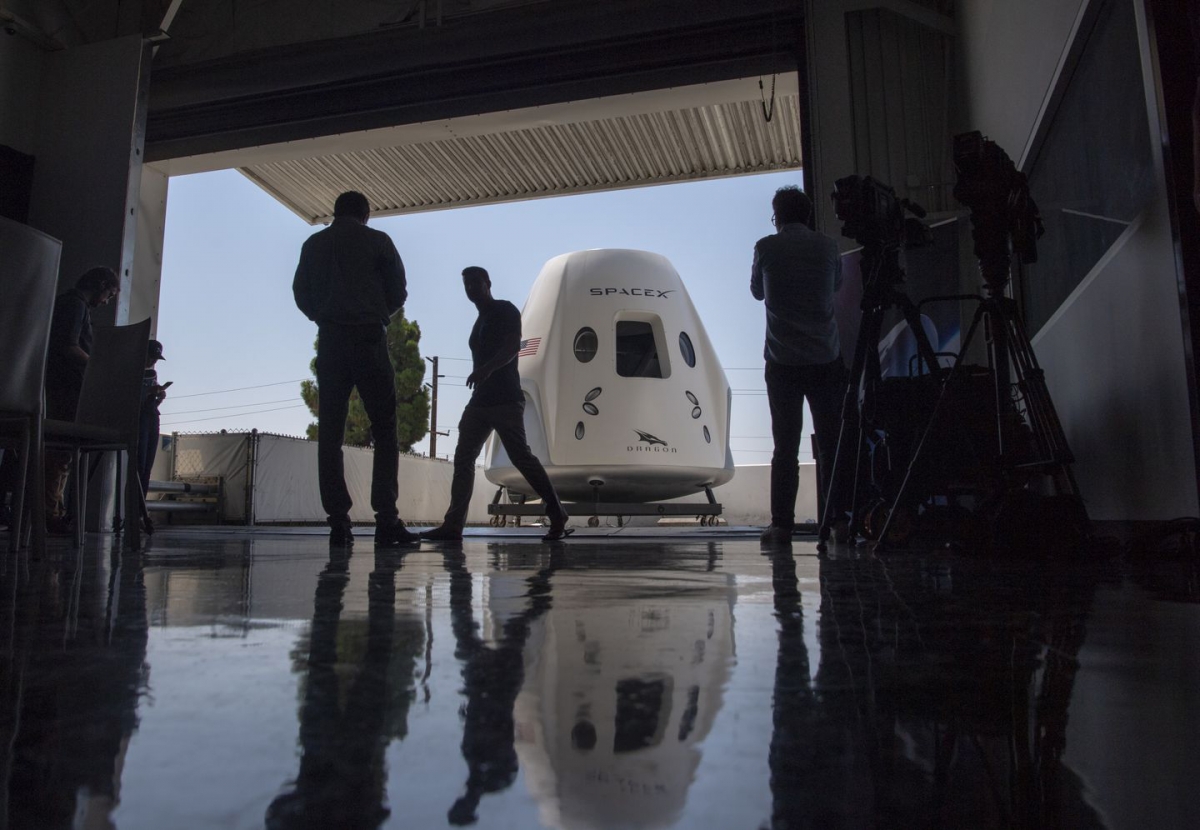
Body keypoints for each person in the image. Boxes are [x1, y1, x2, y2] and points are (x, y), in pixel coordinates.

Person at [293, 190, 417, 548]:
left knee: (330, 430)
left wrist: (324, 316)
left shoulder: (314, 245)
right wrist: (375, 313)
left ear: (335, 212)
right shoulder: (378, 242)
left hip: (331, 339)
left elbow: (300, 292)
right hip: (367, 338)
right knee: (385, 427)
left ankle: (338, 523)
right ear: (365, 214)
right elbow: (398, 292)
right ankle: (386, 520)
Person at [422, 267, 572, 543]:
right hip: (480, 400)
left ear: (488, 284)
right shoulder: (479, 320)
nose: (471, 289)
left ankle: (557, 512)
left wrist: (486, 370)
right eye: (466, 284)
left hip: (505, 398)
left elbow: (512, 347)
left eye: (475, 283)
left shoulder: (505, 310)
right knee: (464, 459)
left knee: (521, 457)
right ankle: (453, 525)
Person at [750, 186, 847, 545]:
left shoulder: (766, 247)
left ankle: (782, 526)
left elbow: (757, 292)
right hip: (825, 358)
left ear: (777, 217)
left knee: (785, 446)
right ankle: (838, 522)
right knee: (831, 443)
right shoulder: (828, 247)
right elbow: (835, 285)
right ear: (807, 215)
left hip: (783, 361)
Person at [43, 266, 120, 533]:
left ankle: (53, 510)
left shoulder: (72, 304)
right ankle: (49, 513)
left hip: (64, 386)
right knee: (60, 452)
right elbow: (69, 345)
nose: (106, 301)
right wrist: (97, 366)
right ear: (100, 285)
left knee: (61, 453)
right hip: (67, 387)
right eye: (109, 294)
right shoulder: (75, 305)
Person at [137, 339, 168, 534]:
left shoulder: (151, 374)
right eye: (151, 357)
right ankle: (136, 512)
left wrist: (158, 399)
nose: (152, 362)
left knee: (146, 468)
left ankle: (140, 512)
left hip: (151, 417)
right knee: (139, 467)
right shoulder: (131, 372)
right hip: (140, 419)